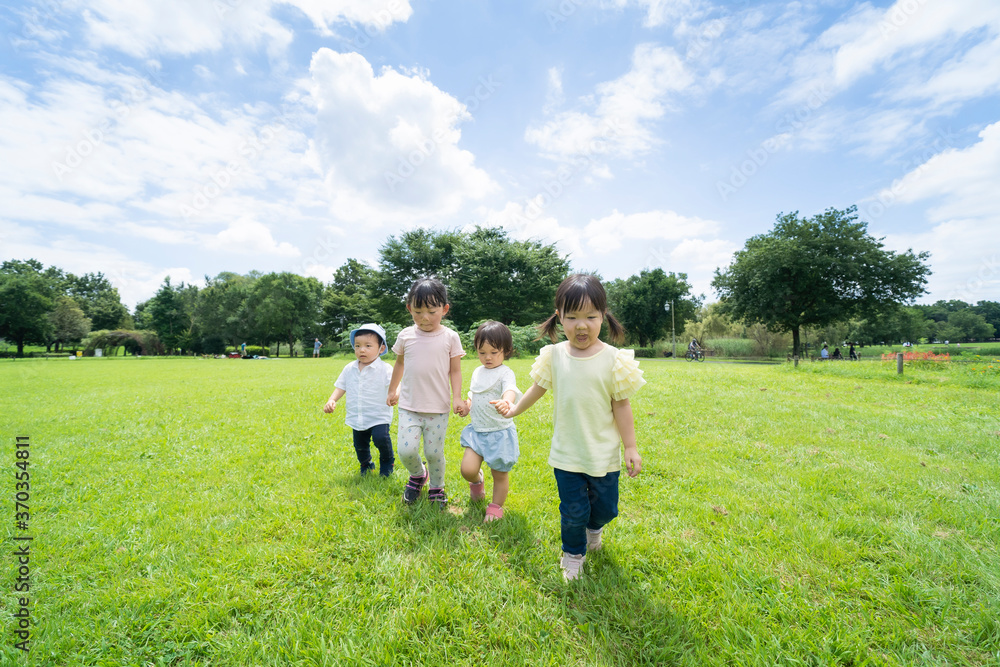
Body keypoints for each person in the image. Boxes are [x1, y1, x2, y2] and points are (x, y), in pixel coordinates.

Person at [495, 274, 645, 581]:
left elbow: (621, 405)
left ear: (603, 315)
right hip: (567, 453)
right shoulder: (554, 355)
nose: (581, 325)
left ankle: (595, 528)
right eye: (572, 317)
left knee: (605, 509)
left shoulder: (614, 360)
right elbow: (537, 388)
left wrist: (630, 446)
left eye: (590, 316)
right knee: (573, 510)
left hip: (603, 453)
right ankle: (573, 554)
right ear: (559, 317)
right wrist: (514, 410)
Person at [387, 278, 468, 508]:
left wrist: (457, 397)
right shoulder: (406, 335)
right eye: (418, 311)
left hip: (438, 408)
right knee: (406, 450)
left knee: (434, 453)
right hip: (409, 405)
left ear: (444, 309)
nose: (424, 317)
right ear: (409, 308)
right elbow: (400, 364)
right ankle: (418, 475)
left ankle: (436, 487)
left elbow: (455, 371)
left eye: (431, 311)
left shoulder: (450, 337)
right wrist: (393, 389)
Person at [459, 321, 521, 522]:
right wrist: (467, 405)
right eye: (482, 352)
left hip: (499, 433)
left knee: (499, 474)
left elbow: (509, 389)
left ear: (506, 350)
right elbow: (473, 393)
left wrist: (506, 401)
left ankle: (495, 507)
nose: (487, 357)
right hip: (477, 431)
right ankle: (477, 482)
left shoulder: (505, 372)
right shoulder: (478, 372)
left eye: (494, 352)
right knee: (467, 470)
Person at [323, 324, 395, 476]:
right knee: (360, 445)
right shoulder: (350, 368)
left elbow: (396, 384)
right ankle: (366, 463)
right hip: (358, 415)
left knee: (381, 438)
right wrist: (332, 400)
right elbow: (341, 386)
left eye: (368, 346)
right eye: (357, 346)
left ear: (381, 349)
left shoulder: (385, 368)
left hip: (378, 415)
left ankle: (387, 461)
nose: (362, 350)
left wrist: (395, 394)